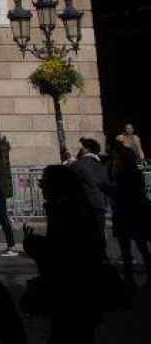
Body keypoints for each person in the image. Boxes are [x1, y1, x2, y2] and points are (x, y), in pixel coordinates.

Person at [23, 164, 109, 344]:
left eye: (43, 181)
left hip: (73, 291)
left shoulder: (66, 210)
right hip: (78, 290)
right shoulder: (71, 206)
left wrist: (35, 246)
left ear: (55, 184)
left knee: (68, 333)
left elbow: (64, 253)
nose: (40, 186)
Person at [108, 145, 151, 287]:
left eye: (116, 158)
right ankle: (130, 277)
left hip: (128, 212)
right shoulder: (134, 173)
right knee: (139, 246)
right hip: (134, 212)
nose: (114, 161)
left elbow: (122, 193)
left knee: (131, 248)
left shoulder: (125, 174)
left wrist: (108, 189)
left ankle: (129, 278)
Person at [71, 137, 111, 242]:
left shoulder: (77, 165)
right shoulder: (103, 165)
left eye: (82, 148)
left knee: (85, 236)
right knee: (100, 233)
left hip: (84, 205)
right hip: (100, 204)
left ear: (86, 149)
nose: (79, 150)